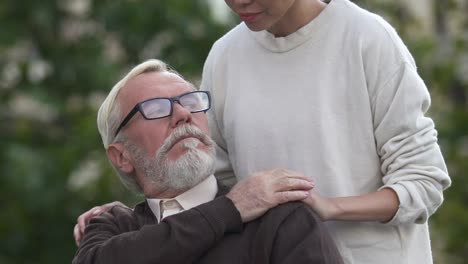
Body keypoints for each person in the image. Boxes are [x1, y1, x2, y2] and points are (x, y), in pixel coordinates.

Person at [76, 0, 452, 263]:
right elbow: (209, 184)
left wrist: (328, 207)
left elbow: (423, 182)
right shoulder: (225, 57)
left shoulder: (367, 39)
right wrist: (143, 214)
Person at [72, 58, 344, 264]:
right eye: (156, 109)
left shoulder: (280, 219)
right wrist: (231, 209)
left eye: (191, 101)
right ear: (122, 156)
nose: (182, 114)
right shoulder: (113, 228)